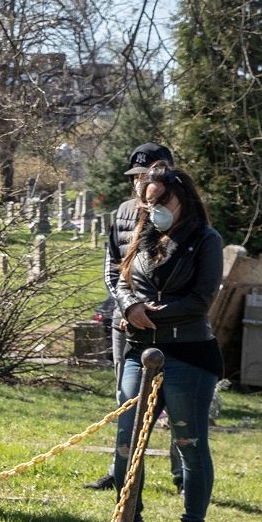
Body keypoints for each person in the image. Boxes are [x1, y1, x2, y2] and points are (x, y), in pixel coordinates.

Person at [110, 165, 223, 522]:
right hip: (139, 353)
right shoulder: (143, 235)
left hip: (188, 354)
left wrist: (151, 313)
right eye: (149, 201)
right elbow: (122, 280)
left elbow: (200, 300)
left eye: (162, 201)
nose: (154, 208)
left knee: (189, 445)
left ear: (183, 199)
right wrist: (129, 306)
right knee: (126, 445)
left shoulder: (206, 240)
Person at [86, 141, 180, 491]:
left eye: (148, 174)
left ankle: (181, 474)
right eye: (136, 176)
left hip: (168, 322)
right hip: (124, 318)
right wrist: (127, 306)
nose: (141, 182)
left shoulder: (182, 211)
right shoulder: (124, 211)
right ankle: (120, 470)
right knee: (124, 399)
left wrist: (158, 310)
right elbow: (112, 268)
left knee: (174, 398)